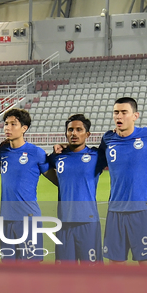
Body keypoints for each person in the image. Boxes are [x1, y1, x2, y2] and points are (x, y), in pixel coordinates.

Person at [99, 97, 147, 264]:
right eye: (116, 112)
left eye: (124, 112)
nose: (119, 116)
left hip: (142, 210)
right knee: (115, 262)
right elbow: (95, 158)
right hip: (115, 209)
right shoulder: (108, 139)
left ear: (135, 115)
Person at [47, 113, 106, 263]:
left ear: (88, 134)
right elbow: (45, 168)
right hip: (64, 223)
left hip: (88, 222)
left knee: (92, 274)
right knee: (65, 275)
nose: (74, 133)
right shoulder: (57, 157)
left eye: (79, 129)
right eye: (70, 130)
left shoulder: (97, 156)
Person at [0, 108, 50, 261]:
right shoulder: (4, 152)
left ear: (24, 128)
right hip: (6, 220)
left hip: (29, 219)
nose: (7, 127)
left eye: (13, 124)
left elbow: (54, 178)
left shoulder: (36, 153)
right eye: (6, 123)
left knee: (31, 269)